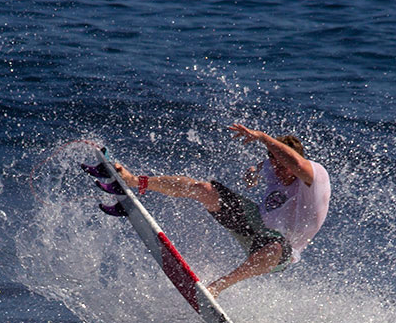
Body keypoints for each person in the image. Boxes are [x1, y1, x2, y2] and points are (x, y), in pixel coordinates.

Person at [113, 123, 330, 296]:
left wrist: (262, 137)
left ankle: (216, 288)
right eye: (274, 164)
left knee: (274, 248)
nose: (278, 171)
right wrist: (254, 173)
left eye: (283, 166)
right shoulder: (273, 166)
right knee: (205, 189)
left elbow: (297, 165)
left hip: (283, 252)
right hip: (255, 225)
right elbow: (264, 165)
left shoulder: (315, 177)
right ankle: (136, 181)